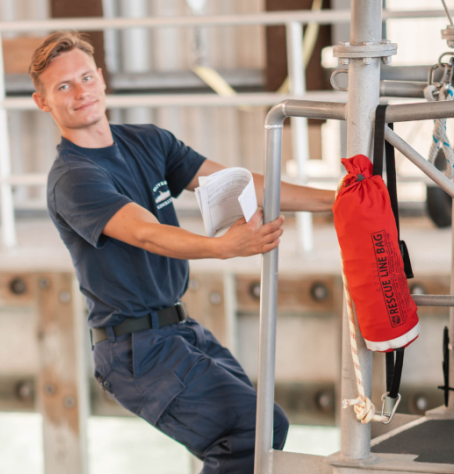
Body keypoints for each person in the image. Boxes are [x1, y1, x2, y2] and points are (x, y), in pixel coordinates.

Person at [29, 31, 334, 474]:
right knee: (252, 430)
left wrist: (335, 199)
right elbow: (147, 234)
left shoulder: (148, 142)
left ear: (102, 80)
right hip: (134, 350)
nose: (81, 93)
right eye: (63, 87)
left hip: (179, 330)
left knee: (266, 427)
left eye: (86, 77)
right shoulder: (74, 178)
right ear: (44, 102)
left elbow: (237, 182)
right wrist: (223, 248)